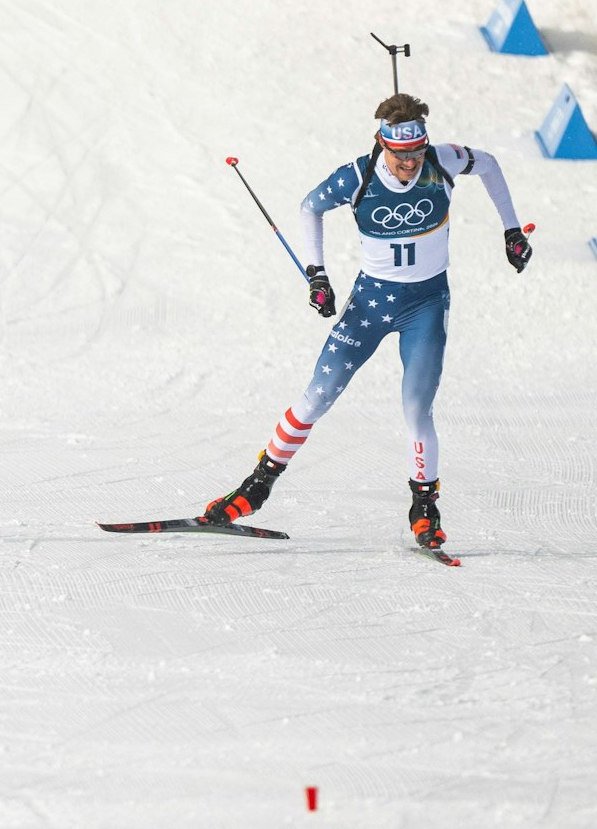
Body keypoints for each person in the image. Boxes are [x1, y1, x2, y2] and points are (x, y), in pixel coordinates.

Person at [204, 94, 530, 549]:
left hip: (427, 304)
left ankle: (424, 509)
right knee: (318, 396)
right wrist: (317, 274)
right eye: (401, 155)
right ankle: (256, 487)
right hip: (370, 304)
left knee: (417, 409)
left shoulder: (443, 161)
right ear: (383, 146)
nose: (411, 164)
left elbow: (490, 164)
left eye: (417, 152)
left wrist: (511, 229)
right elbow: (309, 206)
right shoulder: (357, 176)